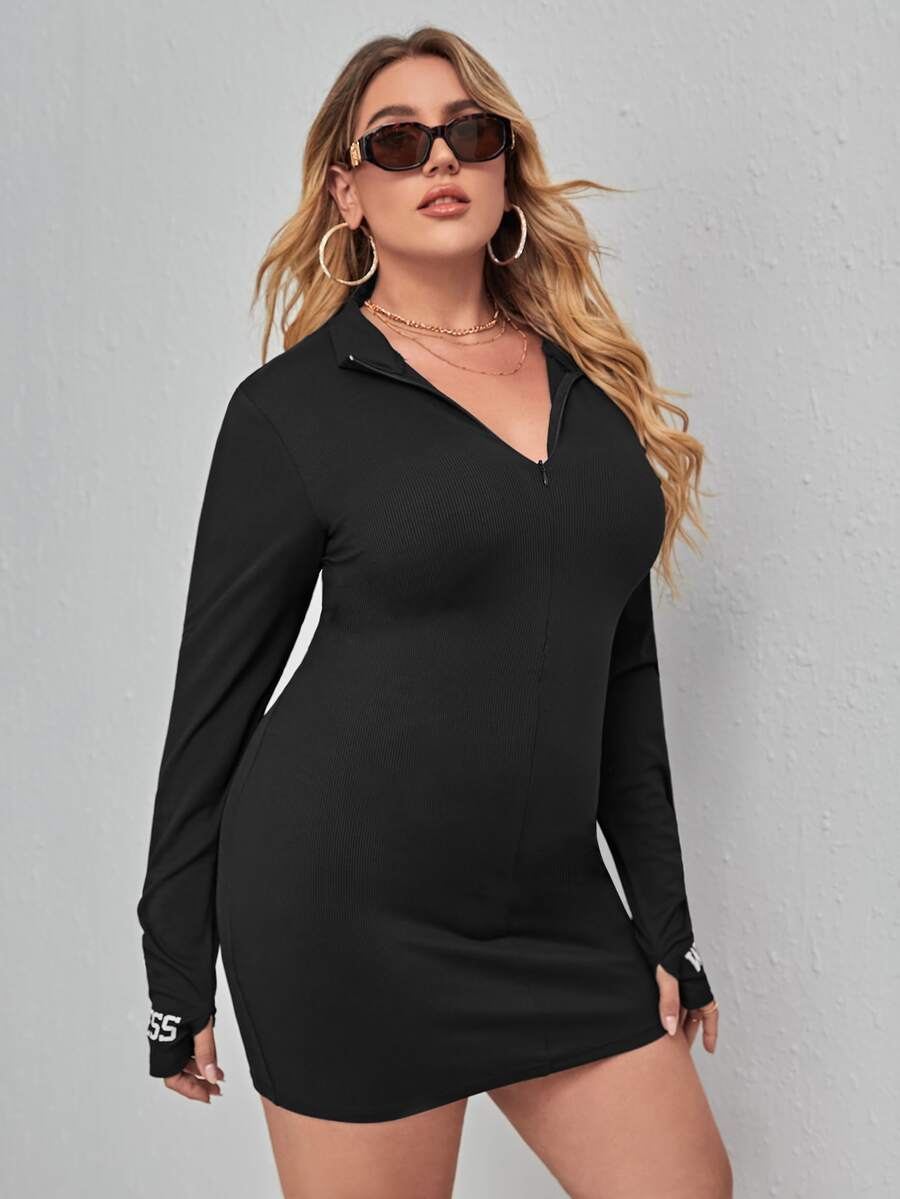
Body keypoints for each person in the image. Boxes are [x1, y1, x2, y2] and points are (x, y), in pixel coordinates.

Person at [136, 26, 732, 1199]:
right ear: (347, 192)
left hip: (552, 910)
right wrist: (174, 967)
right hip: (344, 913)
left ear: (506, 168)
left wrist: (665, 923)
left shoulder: (594, 393)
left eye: (469, 132)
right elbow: (215, 702)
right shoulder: (294, 409)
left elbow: (622, 676)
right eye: (399, 143)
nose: (441, 158)